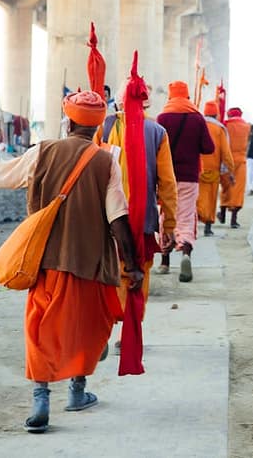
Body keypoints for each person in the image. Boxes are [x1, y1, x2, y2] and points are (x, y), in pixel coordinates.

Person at [0, 90, 143, 434]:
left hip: (45, 262)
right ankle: (77, 392)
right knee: (87, 326)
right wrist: (132, 265)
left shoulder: (42, 152)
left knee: (40, 328)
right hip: (90, 264)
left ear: (68, 121)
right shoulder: (106, 161)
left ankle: (41, 398)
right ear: (97, 126)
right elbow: (118, 218)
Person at [100, 79, 178, 338]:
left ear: (119, 102)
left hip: (106, 217)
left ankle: (105, 329)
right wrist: (169, 226)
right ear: (146, 103)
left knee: (107, 271)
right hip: (142, 218)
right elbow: (167, 184)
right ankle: (130, 333)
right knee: (138, 273)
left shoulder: (105, 126)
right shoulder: (157, 132)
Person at [156, 81, 215, 282]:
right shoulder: (197, 118)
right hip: (190, 177)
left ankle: (164, 262)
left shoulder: (163, 117)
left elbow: (156, 148)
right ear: (188, 96)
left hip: (166, 177)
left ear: (171, 96)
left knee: (166, 215)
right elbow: (208, 148)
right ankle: (186, 253)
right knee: (187, 216)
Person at [199, 101, 234, 237]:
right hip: (213, 169)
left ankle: (193, 224)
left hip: (198, 169)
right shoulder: (220, 129)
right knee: (211, 198)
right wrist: (229, 168)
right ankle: (208, 227)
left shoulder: (198, 125)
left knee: (197, 198)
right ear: (216, 114)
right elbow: (225, 152)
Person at [219, 107, 251, 228]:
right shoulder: (247, 126)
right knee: (238, 189)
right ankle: (233, 219)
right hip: (241, 161)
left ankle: (222, 213)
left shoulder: (225, 125)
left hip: (227, 160)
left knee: (226, 187)